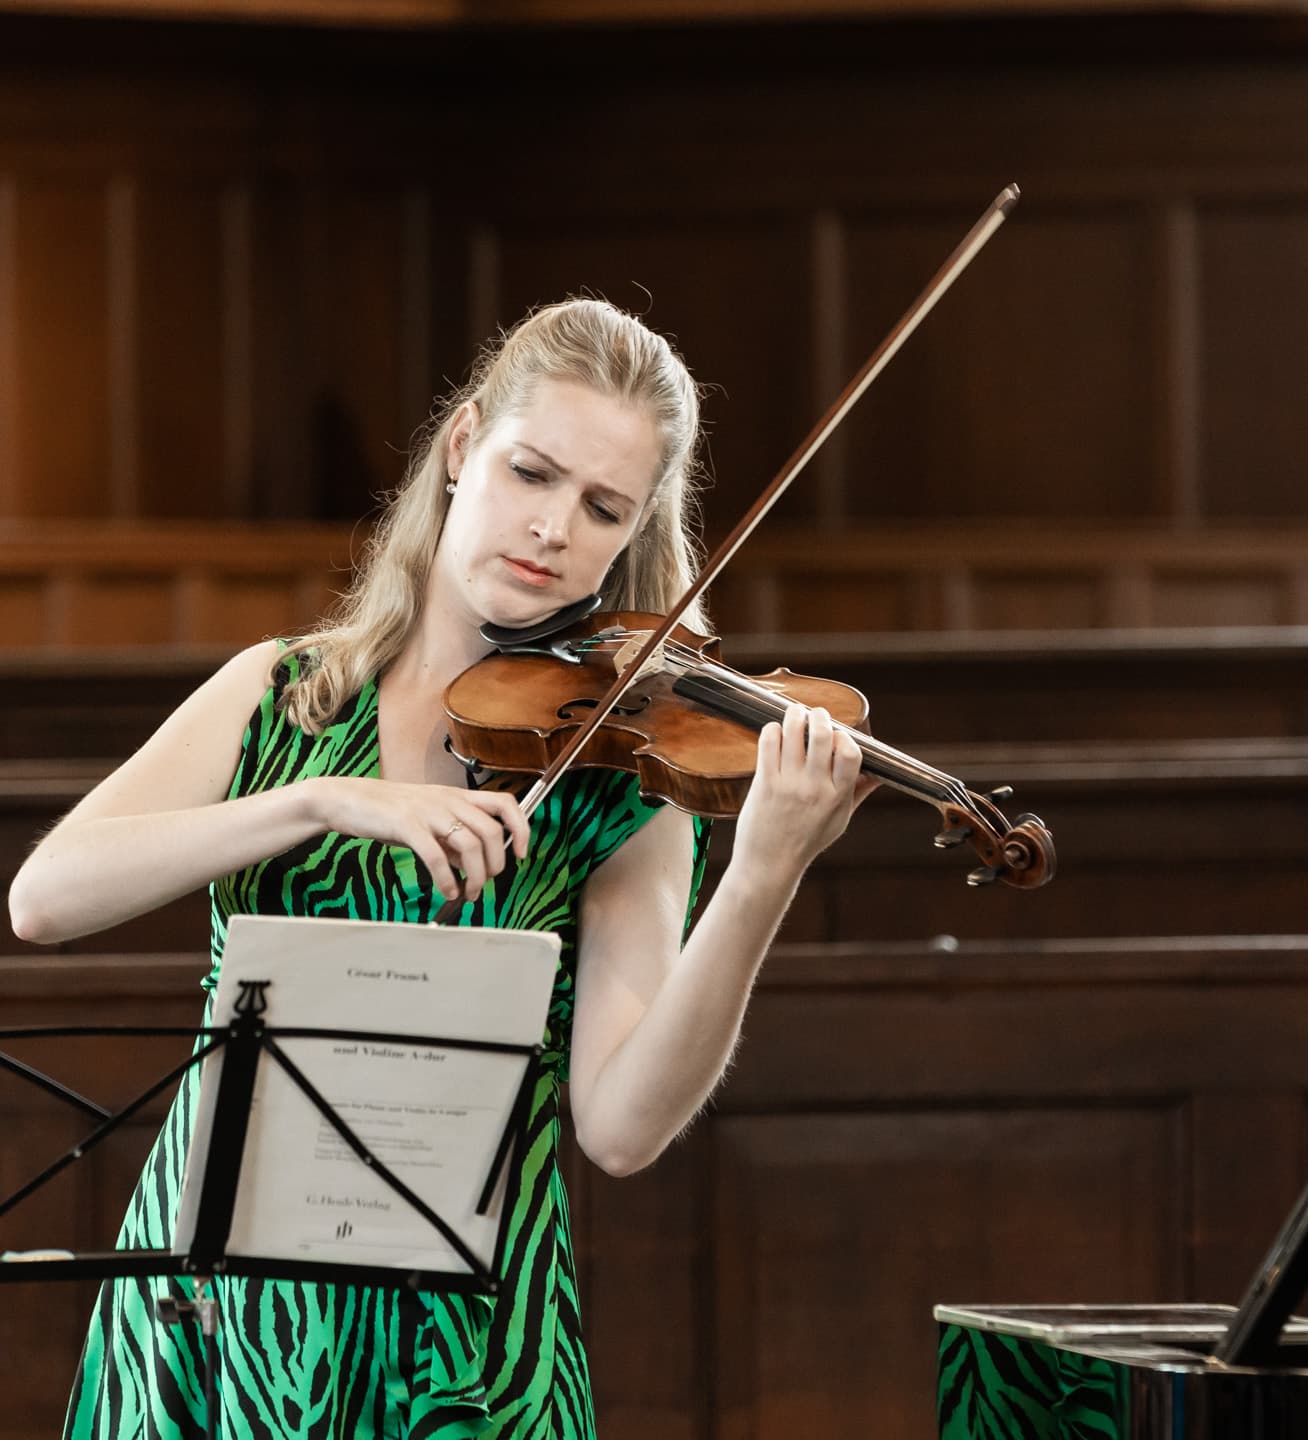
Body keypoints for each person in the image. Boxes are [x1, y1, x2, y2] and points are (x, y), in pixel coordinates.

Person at [8, 297, 868, 1439]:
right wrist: (315, 800)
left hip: (466, 1355)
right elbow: (43, 900)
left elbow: (619, 1129)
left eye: (602, 506)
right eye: (532, 472)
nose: (554, 527)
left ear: (633, 534)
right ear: (464, 449)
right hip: (213, 1325)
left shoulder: (622, 780)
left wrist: (761, 877)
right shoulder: (285, 695)